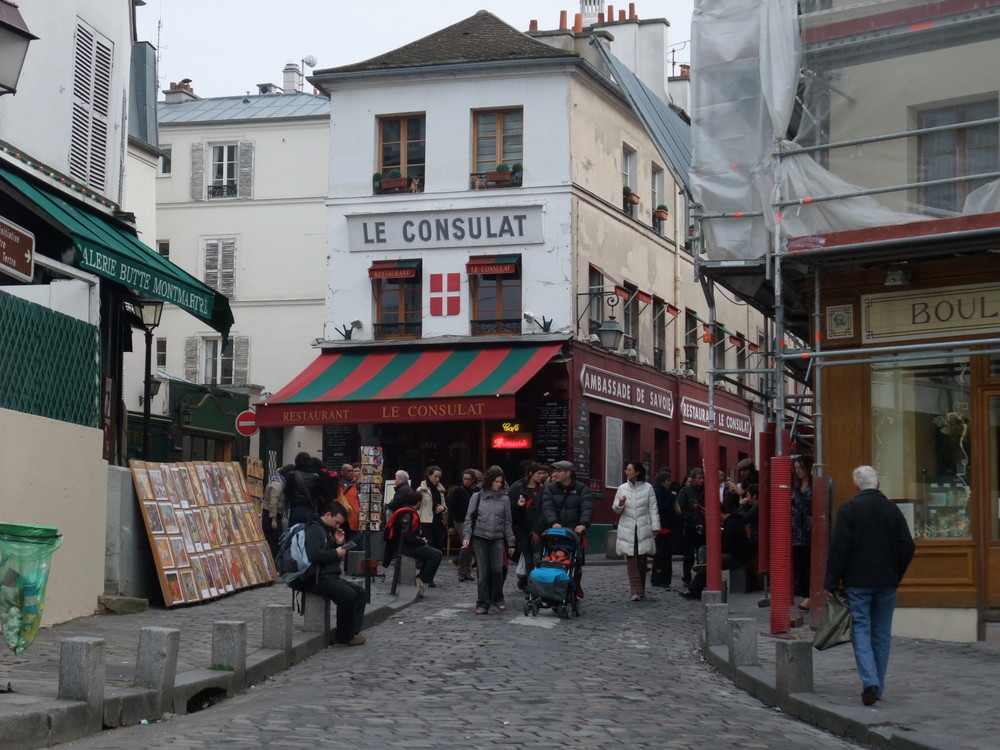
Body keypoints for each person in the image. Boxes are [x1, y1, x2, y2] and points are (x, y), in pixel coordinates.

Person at [823, 465, 914, 706]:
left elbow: (839, 548)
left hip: (857, 581)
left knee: (861, 629)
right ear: (878, 484)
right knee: (882, 633)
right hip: (886, 581)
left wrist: (831, 581)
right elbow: (907, 546)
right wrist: (896, 574)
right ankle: (879, 686)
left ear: (856, 485)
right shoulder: (892, 509)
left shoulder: (850, 508)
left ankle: (869, 681)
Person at [300, 501, 368, 646]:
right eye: (336, 522)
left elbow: (327, 553)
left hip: (327, 574)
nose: (337, 526)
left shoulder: (325, 529)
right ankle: (344, 636)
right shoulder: (314, 529)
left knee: (361, 593)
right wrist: (336, 552)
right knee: (347, 595)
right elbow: (314, 555)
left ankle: (352, 632)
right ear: (328, 515)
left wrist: (337, 543)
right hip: (315, 577)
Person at [462, 467, 515, 615]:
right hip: (480, 538)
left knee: (497, 570)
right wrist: (467, 537)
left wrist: (510, 542)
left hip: (497, 538)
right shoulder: (477, 497)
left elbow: (507, 523)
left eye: (500, 482)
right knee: (483, 573)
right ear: (489, 482)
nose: (499, 484)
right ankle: (483, 603)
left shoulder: (504, 500)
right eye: (496, 481)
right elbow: (469, 518)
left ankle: (498, 597)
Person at [681, 493, 752, 599]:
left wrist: (716, 546)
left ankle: (695, 588)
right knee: (703, 549)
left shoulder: (732, 524)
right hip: (733, 552)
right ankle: (702, 566)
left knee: (711, 563)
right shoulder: (729, 522)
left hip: (737, 556)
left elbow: (731, 546)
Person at [540, 460, 592, 598]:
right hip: (556, 532)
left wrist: (583, 524)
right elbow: (548, 507)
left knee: (576, 562)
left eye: (557, 471)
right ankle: (553, 587)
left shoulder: (582, 489)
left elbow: (587, 508)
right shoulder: (550, 489)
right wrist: (553, 522)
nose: (554, 474)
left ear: (568, 473)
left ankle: (574, 586)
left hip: (575, 532)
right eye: (553, 471)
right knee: (554, 559)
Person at [612, 461, 660, 601]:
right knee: (631, 559)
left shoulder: (648, 488)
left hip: (643, 527)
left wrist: (655, 526)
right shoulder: (622, 488)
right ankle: (636, 590)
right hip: (627, 528)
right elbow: (615, 509)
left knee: (642, 560)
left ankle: (641, 589)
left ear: (637, 472)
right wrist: (620, 504)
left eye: (629, 469)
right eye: (626, 469)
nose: (626, 472)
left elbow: (653, 508)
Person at [385, 490, 443, 596]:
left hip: (403, 544)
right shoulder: (408, 514)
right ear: (418, 502)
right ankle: (423, 580)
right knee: (437, 554)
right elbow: (406, 535)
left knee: (429, 551)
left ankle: (421, 578)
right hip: (405, 547)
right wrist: (420, 540)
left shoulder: (405, 511)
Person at [509, 462, 549, 590]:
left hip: (537, 530)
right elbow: (514, 513)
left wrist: (538, 529)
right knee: (528, 558)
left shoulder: (543, 489)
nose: (542, 476)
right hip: (523, 530)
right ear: (531, 473)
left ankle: (535, 582)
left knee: (538, 557)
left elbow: (545, 511)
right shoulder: (518, 488)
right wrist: (519, 506)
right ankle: (528, 582)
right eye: (539, 473)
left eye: (543, 473)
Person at [676, 468, 706, 586]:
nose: (702, 481)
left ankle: (700, 579)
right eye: (699, 478)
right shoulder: (686, 491)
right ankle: (687, 578)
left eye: (703, 478)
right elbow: (681, 509)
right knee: (688, 555)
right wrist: (690, 519)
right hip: (690, 527)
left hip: (702, 527)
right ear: (693, 479)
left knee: (701, 554)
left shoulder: (704, 491)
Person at [651, 468, 680, 588]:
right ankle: (659, 578)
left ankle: (664, 578)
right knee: (661, 555)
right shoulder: (658, 491)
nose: (670, 483)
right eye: (669, 480)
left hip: (667, 526)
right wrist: (671, 498)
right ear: (664, 481)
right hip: (661, 526)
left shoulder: (663, 491)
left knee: (666, 555)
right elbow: (661, 507)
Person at [447, 469, 478, 582]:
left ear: (473, 480)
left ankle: (467, 571)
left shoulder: (477, 491)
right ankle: (462, 570)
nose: (466, 481)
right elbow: (452, 508)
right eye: (464, 479)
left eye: (468, 479)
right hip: (461, 521)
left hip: (474, 521)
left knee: (470, 547)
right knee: (466, 545)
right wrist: (450, 524)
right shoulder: (458, 491)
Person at [792, 456, 814, 610]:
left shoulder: (815, 486)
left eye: (800, 467)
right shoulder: (795, 486)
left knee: (809, 564)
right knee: (800, 565)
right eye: (796, 468)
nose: (798, 471)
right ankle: (805, 594)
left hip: (810, 530)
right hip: (796, 531)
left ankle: (810, 596)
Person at [415, 465, 448, 556]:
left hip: (437, 521)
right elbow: (416, 507)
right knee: (428, 546)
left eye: (439, 477)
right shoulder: (421, 490)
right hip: (425, 522)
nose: (437, 479)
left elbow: (444, 505)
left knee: (438, 546)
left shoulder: (440, 490)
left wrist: (443, 508)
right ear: (429, 476)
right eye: (435, 476)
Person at [261, 464, 293, 556]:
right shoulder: (278, 484)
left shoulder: (278, 479)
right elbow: (273, 502)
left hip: (270, 515)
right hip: (271, 516)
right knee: (273, 541)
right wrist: (273, 519)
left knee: (274, 540)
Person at [285, 452, 322, 526]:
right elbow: (317, 494)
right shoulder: (316, 476)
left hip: (295, 508)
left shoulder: (292, 474)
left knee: (295, 533)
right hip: (310, 509)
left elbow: (287, 492)